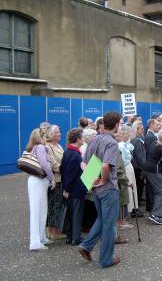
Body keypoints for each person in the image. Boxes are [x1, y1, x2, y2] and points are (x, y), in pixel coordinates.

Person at [78, 111, 122, 268]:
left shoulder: (94, 139)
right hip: (108, 188)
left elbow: (83, 163)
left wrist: (92, 179)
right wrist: (102, 180)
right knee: (109, 224)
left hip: (95, 188)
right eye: (120, 123)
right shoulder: (111, 143)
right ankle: (105, 259)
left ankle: (86, 246)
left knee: (103, 219)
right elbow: (105, 165)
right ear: (116, 124)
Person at [26, 128, 54, 251]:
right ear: (41, 137)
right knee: (38, 210)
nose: (46, 138)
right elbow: (44, 165)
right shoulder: (41, 148)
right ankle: (35, 242)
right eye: (44, 136)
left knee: (41, 209)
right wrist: (52, 177)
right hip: (39, 181)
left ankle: (41, 237)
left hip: (37, 181)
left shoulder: (34, 148)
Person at [60, 128, 86, 246]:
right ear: (78, 139)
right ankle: (75, 237)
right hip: (75, 189)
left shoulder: (69, 152)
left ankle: (70, 236)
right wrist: (66, 189)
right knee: (76, 213)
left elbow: (63, 170)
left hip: (73, 188)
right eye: (82, 137)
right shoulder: (74, 154)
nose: (84, 139)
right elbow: (69, 174)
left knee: (72, 212)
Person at [117, 125, 143, 218]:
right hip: (125, 168)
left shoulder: (127, 144)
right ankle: (128, 210)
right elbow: (122, 161)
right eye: (127, 134)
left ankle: (132, 208)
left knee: (132, 187)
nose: (129, 135)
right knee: (127, 188)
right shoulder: (120, 146)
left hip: (129, 167)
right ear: (123, 134)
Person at [45, 125, 66, 240]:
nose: (60, 134)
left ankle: (56, 230)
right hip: (55, 180)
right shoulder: (47, 147)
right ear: (51, 134)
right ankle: (52, 232)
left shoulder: (58, 145)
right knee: (53, 205)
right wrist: (65, 170)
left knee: (58, 205)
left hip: (61, 179)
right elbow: (53, 164)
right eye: (57, 132)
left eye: (59, 131)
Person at [130, 121, 146, 208]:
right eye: (141, 129)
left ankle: (136, 206)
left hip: (135, 167)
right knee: (139, 188)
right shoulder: (137, 141)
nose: (143, 131)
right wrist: (144, 168)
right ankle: (136, 207)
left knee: (138, 187)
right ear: (136, 129)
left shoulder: (133, 140)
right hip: (138, 168)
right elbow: (140, 157)